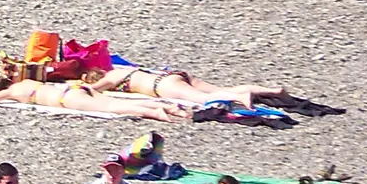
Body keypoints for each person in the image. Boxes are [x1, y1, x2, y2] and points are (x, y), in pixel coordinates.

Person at [0, 74, 193, 123]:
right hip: (72, 88)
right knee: (121, 102)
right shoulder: (27, 82)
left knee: (115, 108)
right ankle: (170, 106)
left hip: (66, 99)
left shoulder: (13, 92)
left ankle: (158, 113)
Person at [86, 62, 306, 111]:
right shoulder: (123, 69)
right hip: (170, 74)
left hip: (160, 85)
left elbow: (94, 91)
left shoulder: (113, 77)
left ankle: (242, 99)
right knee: (220, 88)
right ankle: (273, 91)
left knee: (204, 99)